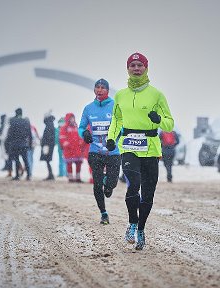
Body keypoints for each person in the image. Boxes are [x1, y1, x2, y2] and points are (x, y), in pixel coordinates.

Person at [107, 52, 174, 250]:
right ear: (127, 68)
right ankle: (132, 223)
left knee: (148, 193)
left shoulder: (157, 94)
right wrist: (112, 138)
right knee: (133, 183)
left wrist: (158, 120)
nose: (136, 68)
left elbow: (169, 124)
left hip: (151, 148)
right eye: (133, 65)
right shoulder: (120, 95)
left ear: (146, 68)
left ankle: (141, 229)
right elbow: (117, 120)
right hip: (128, 146)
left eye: (140, 65)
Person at [78, 79, 121, 224]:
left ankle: (107, 183)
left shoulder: (115, 105)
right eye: (97, 87)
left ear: (108, 90)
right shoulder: (88, 108)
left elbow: (121, 125)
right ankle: (103, 213)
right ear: (94, 89)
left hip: (113, 151)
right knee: (97, 184)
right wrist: (84, 133)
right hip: (95, 151)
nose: (100, 90)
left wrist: (115, 137)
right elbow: (81, 127)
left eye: (103, 88)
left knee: (111, 185)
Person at [5, 108, 32, 180]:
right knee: (25, 160)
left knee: (16, 160)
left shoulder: (13, 121)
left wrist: (8, 144)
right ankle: (28, 175)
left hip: (15, 144)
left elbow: (10, 134)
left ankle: (17, 175)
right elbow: (29, 133)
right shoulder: (26, 121)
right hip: (24, 144)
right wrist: (29, 144)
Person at [60, 113, 84, 183]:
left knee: (78, 163)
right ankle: (70, 178)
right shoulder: (64, 127)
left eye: (73, 118)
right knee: (69, 164)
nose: (72, 120)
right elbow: (62, 137)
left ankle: (78, 177)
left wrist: (81, 142)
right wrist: (66, 144)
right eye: (71, 118)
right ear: (68, 119)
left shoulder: (76, 126)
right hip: (69, 149)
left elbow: (80, 136)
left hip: (77, 149)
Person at [40, 111, 56, 180]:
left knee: (47, 160)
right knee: (48, 160)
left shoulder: (49, 125)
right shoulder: (51, 124)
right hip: (49, 145)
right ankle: (50, 174)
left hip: (47, 146)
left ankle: (50, 174)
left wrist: (44, 143)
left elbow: (48, 137)